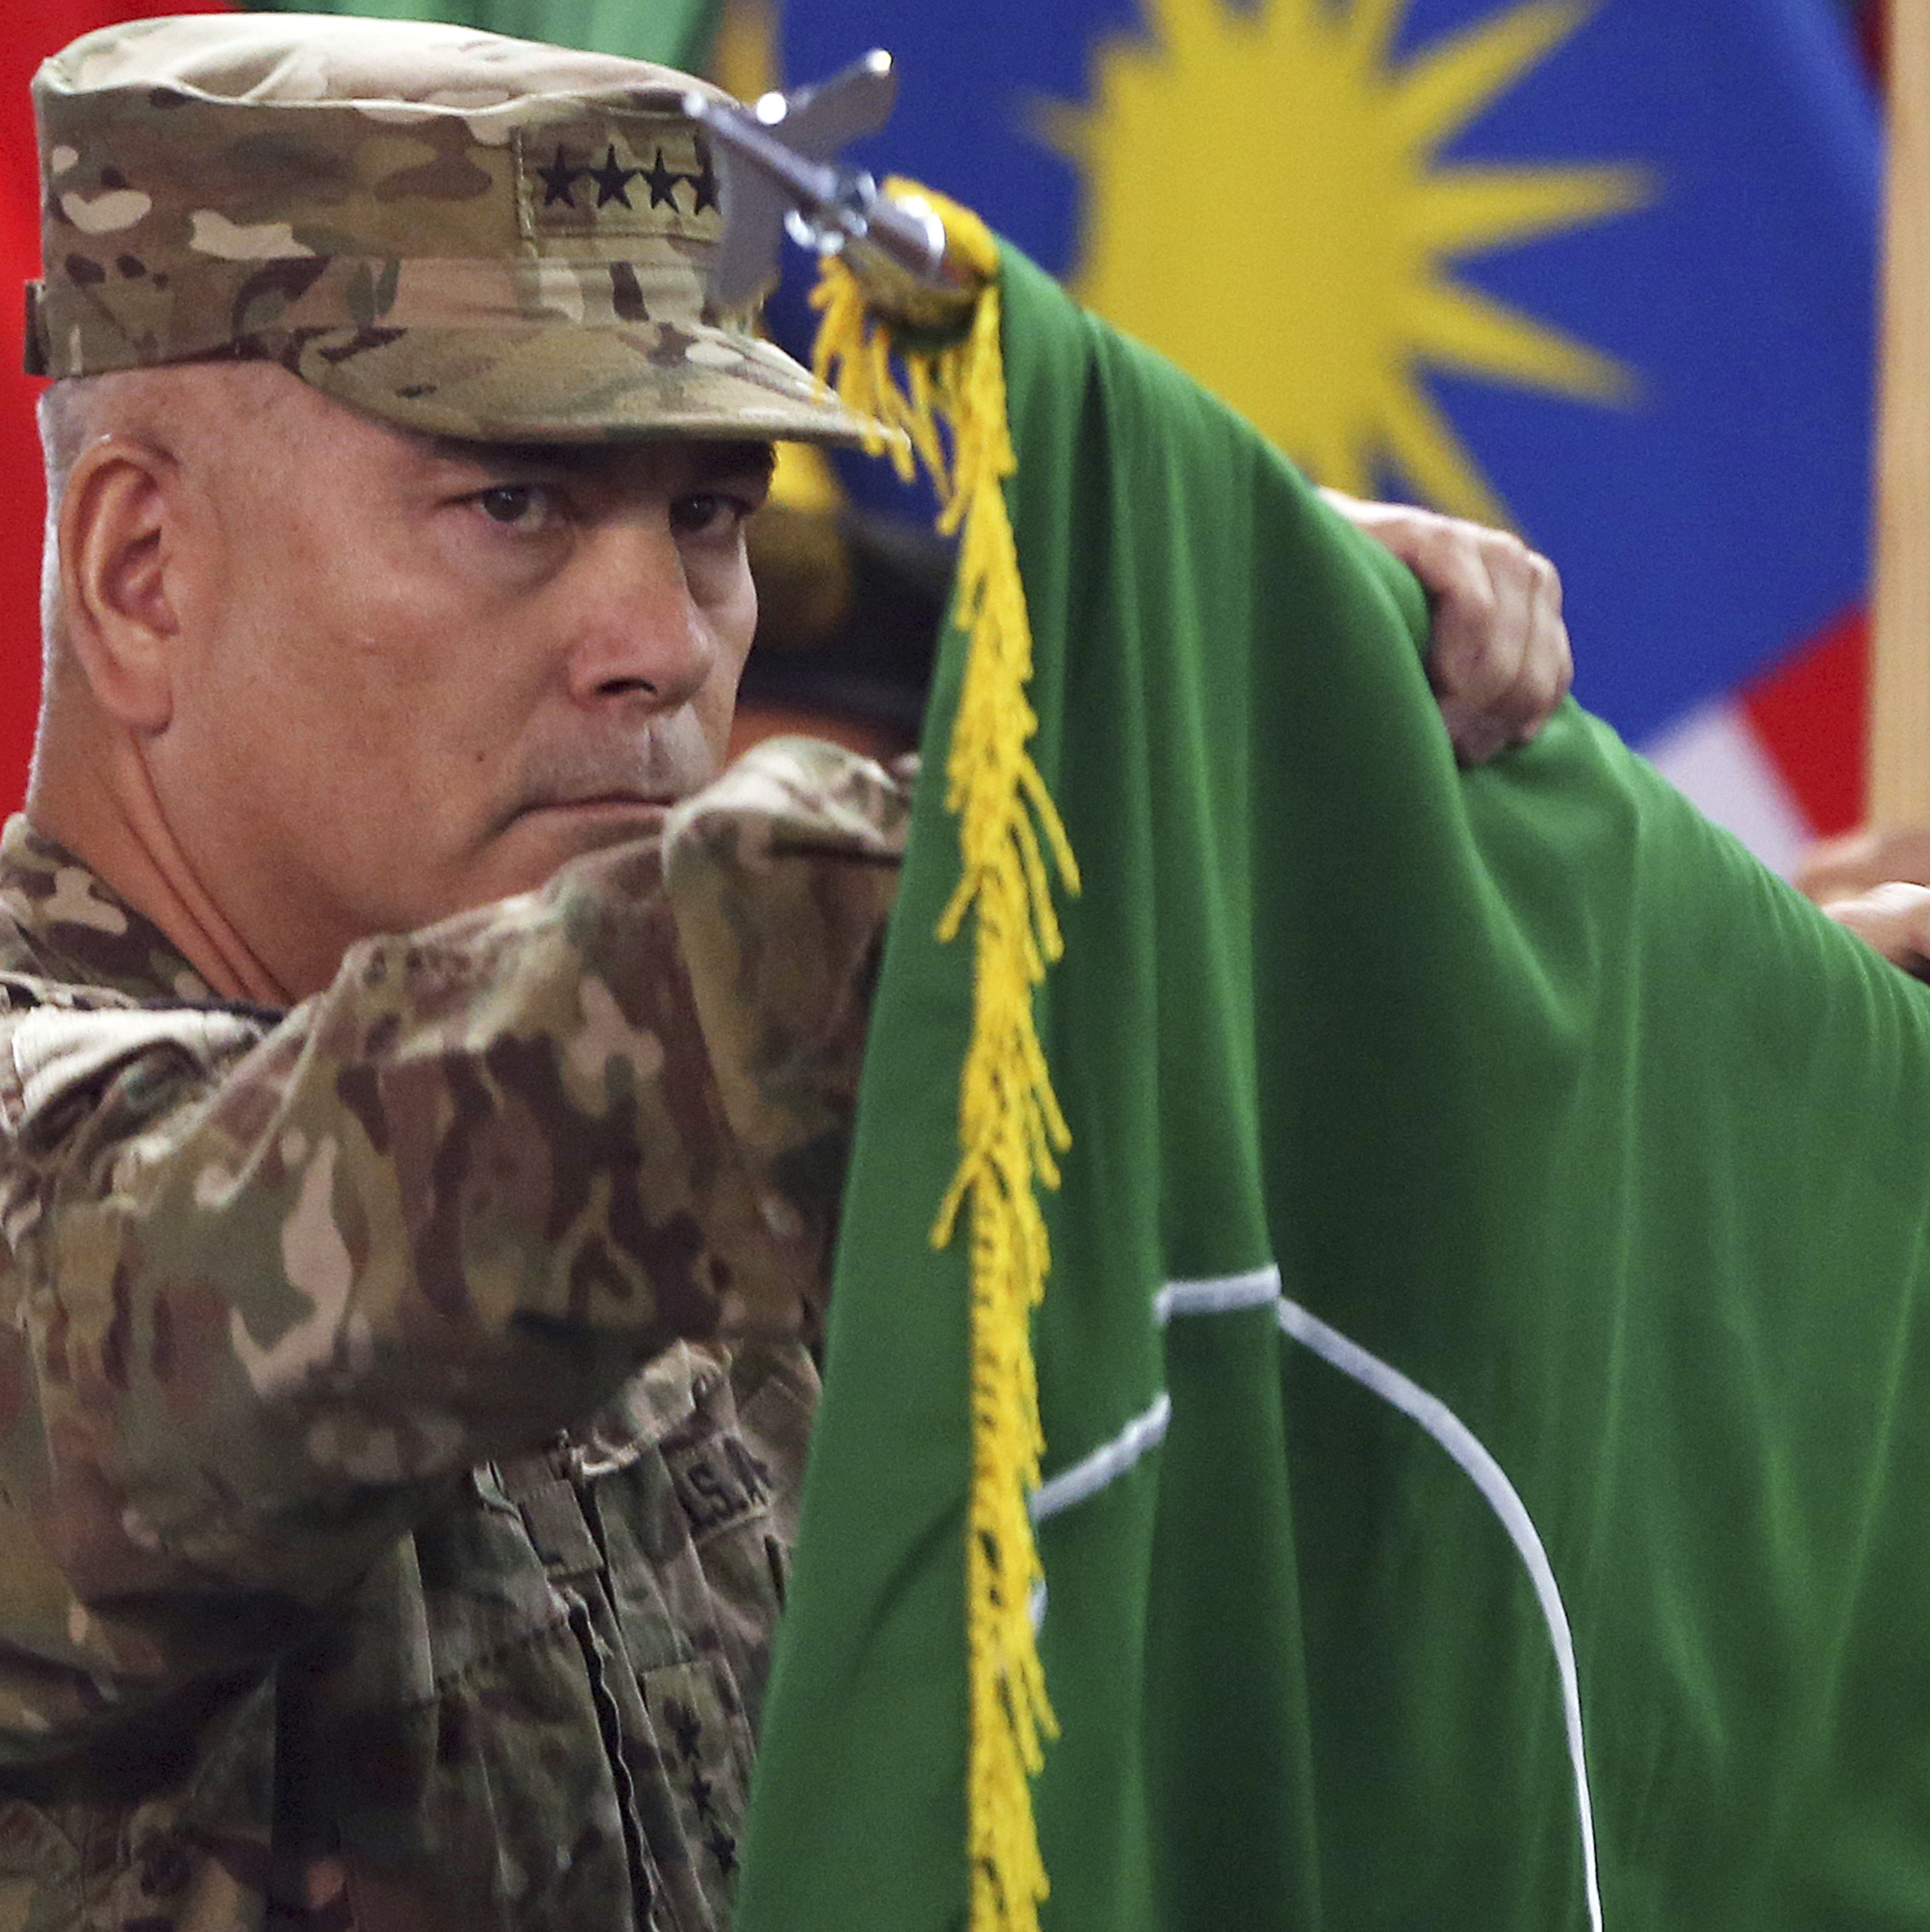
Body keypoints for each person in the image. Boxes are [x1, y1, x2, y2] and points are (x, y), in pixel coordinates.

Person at [0, 15, 1573, 1930]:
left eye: (707, 516)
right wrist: (1169, 698)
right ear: (143, 571)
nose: (662, 643)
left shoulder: (774, 1189)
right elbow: (499, 1123)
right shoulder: (145, 1170)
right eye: (513, 501)